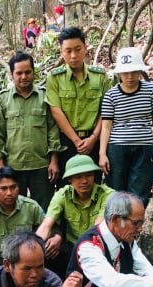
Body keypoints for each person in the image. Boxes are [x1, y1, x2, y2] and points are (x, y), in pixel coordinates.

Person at [0, 52, 64, 210]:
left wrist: (54, 160)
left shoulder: (45, 96)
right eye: (19, 73)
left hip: (42, 166)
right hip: (13, 167)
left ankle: (45, 235)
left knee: (45, 209)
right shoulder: (2, 99)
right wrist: (0, 167)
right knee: (15, 210)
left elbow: (53, 130)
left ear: (34, 72)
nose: (24, 76)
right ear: (12, 75)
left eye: (28, 72)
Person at [99, 47, 153, 206]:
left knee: (139, 193)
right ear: (119, 73)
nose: (129, 76)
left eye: (134, 71)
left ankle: (135, 228)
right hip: (117, 149)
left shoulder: (151, 91)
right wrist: (103, 154)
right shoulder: (111, 95)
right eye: (125, 72)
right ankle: (117, 228)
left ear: (140, 71)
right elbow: (106, 126)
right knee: (116, 192)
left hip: (143, 147)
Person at [45, 27, 111, 180]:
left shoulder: (99, 76)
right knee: (67, 188)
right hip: (67, 143)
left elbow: (107, 110)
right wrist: (76, 141)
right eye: (68, 51)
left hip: (95, 141)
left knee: (93, 186)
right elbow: (56, 111)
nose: (73, 55)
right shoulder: (54, 77)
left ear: (85, 48)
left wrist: (93, 138)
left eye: (77, 49)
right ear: (61, 52)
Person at [35, 155, 114, 277]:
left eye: (89, 175)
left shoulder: (107, 195)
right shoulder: (63, 194)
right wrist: (35, 247)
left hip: (98, 248)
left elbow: (97, 230)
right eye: (78, 177)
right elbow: (46, 224)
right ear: (70, 179)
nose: (84, 181)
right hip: (72, 248)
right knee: (47, 252)